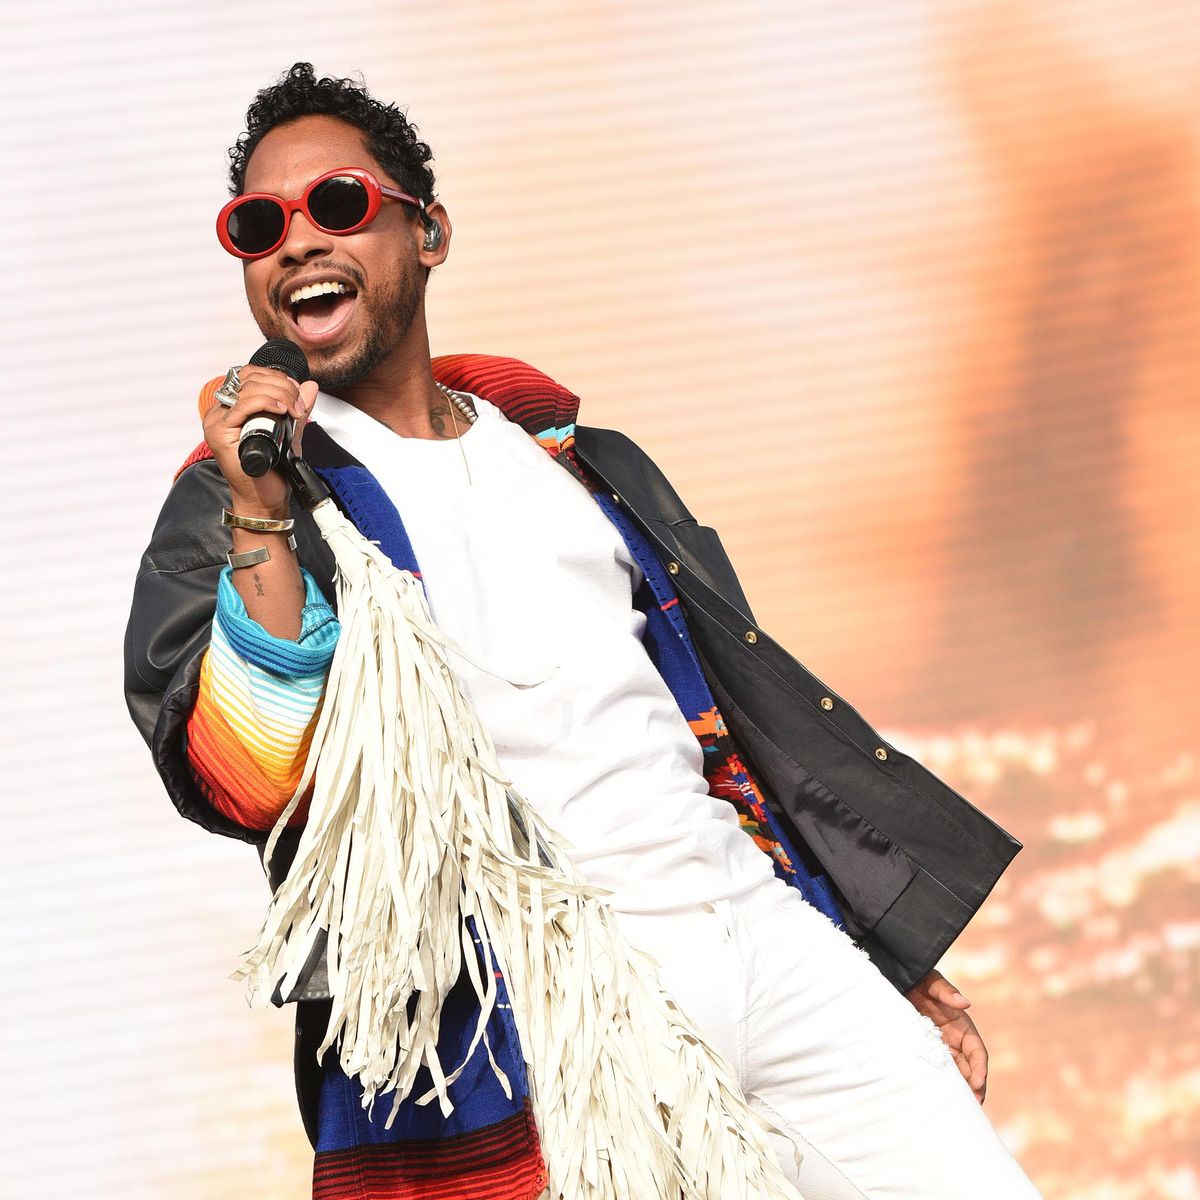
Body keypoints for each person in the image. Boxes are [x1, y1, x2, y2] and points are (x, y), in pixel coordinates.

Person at [125, 62, 1044, 1200]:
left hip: (763, 937)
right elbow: (248, 779)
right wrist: (259, 505)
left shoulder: (573, 460)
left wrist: (870, 949)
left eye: (340, 204)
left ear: (428, 233)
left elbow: (717, 739)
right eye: (260, 225)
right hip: (548, 1009)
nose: (299, 240)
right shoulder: (243, 498)